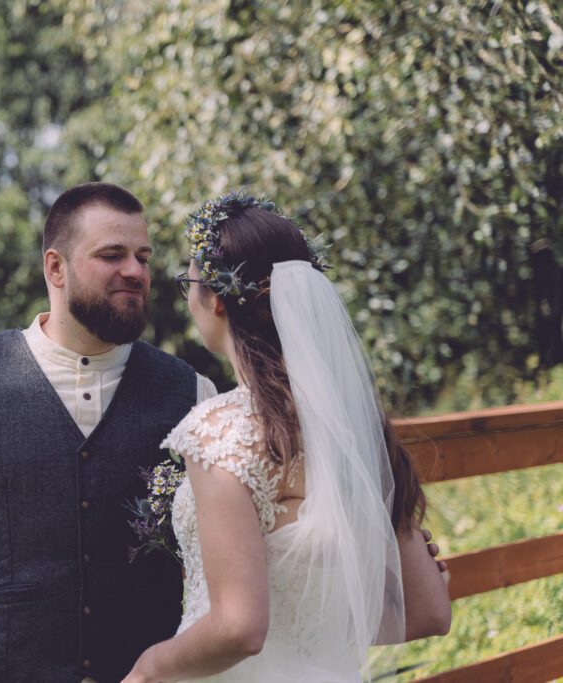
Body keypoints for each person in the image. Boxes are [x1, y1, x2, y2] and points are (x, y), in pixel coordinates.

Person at [0, 182, 219, 682]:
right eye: (112, 254)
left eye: (144, 257)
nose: (136, 272)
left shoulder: (193, 393)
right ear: (56, 267)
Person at [121, 191, 452, 683]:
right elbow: (429, 610)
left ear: (213, 298)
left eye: (188, 282)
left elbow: (239, 628)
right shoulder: (350, 428)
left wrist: (149, 669)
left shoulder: (220, 431)